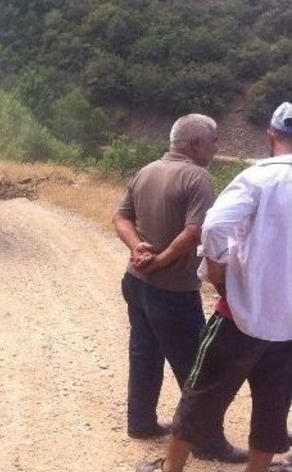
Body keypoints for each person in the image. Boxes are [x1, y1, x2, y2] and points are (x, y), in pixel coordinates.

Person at [137, 102, 292, 472]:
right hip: (288, 322)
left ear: (270, 136)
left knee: (202, 391)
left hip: (241, 313)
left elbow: (213, 227)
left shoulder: (259, 178)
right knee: (274, 401)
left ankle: (169, 469)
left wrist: (219, 276)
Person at [114, 114, 245, 463]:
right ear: (196, 144)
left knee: (144, 354)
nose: (217, 147)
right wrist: (159, 262)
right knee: (198, 369)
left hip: (135, 282)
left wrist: (136, 249)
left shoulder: (147, 170)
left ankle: (140, 422)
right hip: (171, 290)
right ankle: (207, 442)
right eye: (214, 140)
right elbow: (195, 231)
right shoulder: (198, 177)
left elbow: (121, 218)